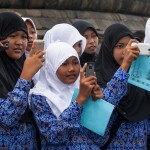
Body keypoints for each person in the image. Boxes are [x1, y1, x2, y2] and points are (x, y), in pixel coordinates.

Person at [28, 39, 135, 149]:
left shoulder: (82, 87)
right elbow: (54, 135)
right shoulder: (40, 97)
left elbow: (98, 134)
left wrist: (97, 100)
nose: (71, 69)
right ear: (50, 67)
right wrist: (79, 100)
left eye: (75, 63)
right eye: (64, 64)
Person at [95, 23, 150, 149]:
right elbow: (106, 104)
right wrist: (125, 65)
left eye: (130, 46)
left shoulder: (138, 79)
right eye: (120, 46)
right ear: (109, 49)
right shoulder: (98, 78)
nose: (126, 50)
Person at [0, 12, 45, 149]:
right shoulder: (26, 71)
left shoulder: (25, 66)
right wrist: (25, 77)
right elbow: (8, 117)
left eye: (24, 37)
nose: (19, 42)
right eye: (13, 36)